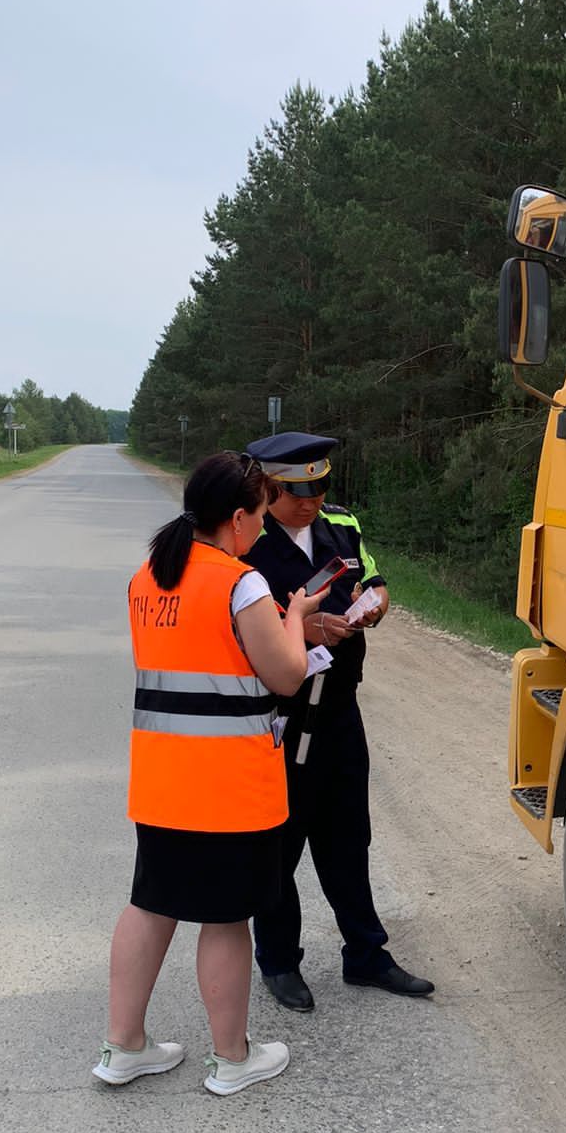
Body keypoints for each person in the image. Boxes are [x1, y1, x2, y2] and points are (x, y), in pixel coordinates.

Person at [93, 451, 325, 1095]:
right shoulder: (239, 581)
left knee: (151, 904)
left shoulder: (148, 575)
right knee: (225, 919)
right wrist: (297, 618)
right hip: (229, 784)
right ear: (237, 517)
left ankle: (124, 1046)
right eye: (258, 514)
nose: (262, 526)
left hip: (163, 777)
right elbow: (284, 674)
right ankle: (231, 1059)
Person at [241, 430, 435, 1011]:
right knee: (281, 842)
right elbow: (233, 621)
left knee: (350, 835)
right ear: (267, 488)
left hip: (341, 705)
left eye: (320, 488)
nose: (311, 502)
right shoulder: (246, 540)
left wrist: (376, 603)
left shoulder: (341, 526)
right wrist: (296, 629)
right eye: (297, 492)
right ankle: (279, 961)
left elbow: (371, 577)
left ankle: (367, 954)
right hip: (281, 712)